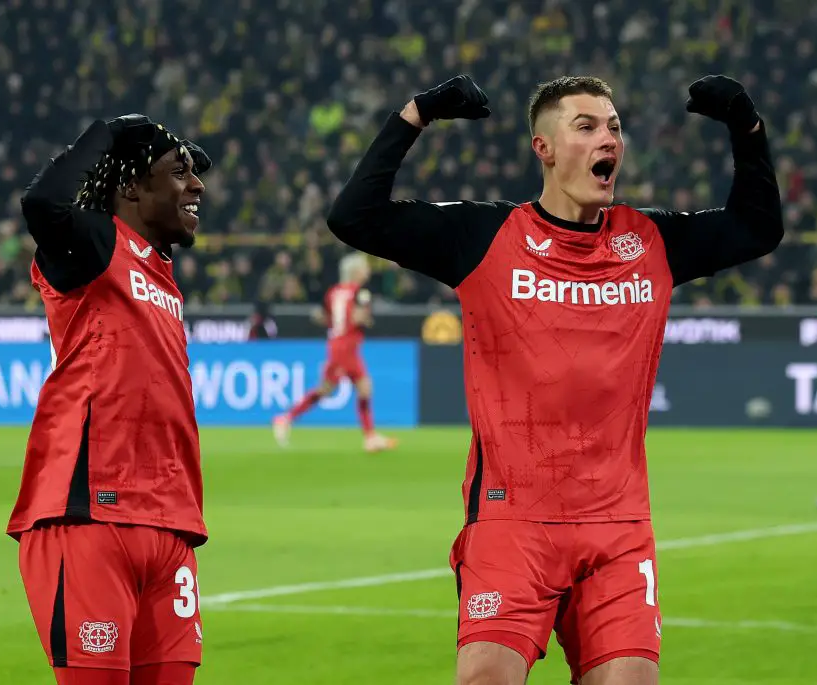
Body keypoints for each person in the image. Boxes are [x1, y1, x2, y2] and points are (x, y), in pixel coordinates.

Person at [326, 74, 784, 685]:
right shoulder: (485, 236)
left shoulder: (652, 242)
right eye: (587, 126)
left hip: (618, 528)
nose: (609, 139)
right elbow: (354, 216)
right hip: (511, 522)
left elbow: (759, 227)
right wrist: (416, 114)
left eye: (615, 128)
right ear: (543, 148)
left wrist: (747, 129)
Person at [8, 114, 211, 685]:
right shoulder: (94, 246)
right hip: (91, 514)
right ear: (131, 189)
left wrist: (169, 155)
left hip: (170, 525)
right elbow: (42, 204)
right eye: (179, 173)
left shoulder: (161, 271)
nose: (197, 186)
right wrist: (110, 132)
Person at [273, 253, 397, 452]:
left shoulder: (333, 292)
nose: (368, 271)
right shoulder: (360, 292)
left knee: (341, 388)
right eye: (365, 268)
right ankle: (285, 418)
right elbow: (358, 318)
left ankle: (370, 437)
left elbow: (325, 318)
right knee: (347, 388)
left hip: (337, 344)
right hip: (347, 347)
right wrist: (368, 320)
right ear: (356, 271)